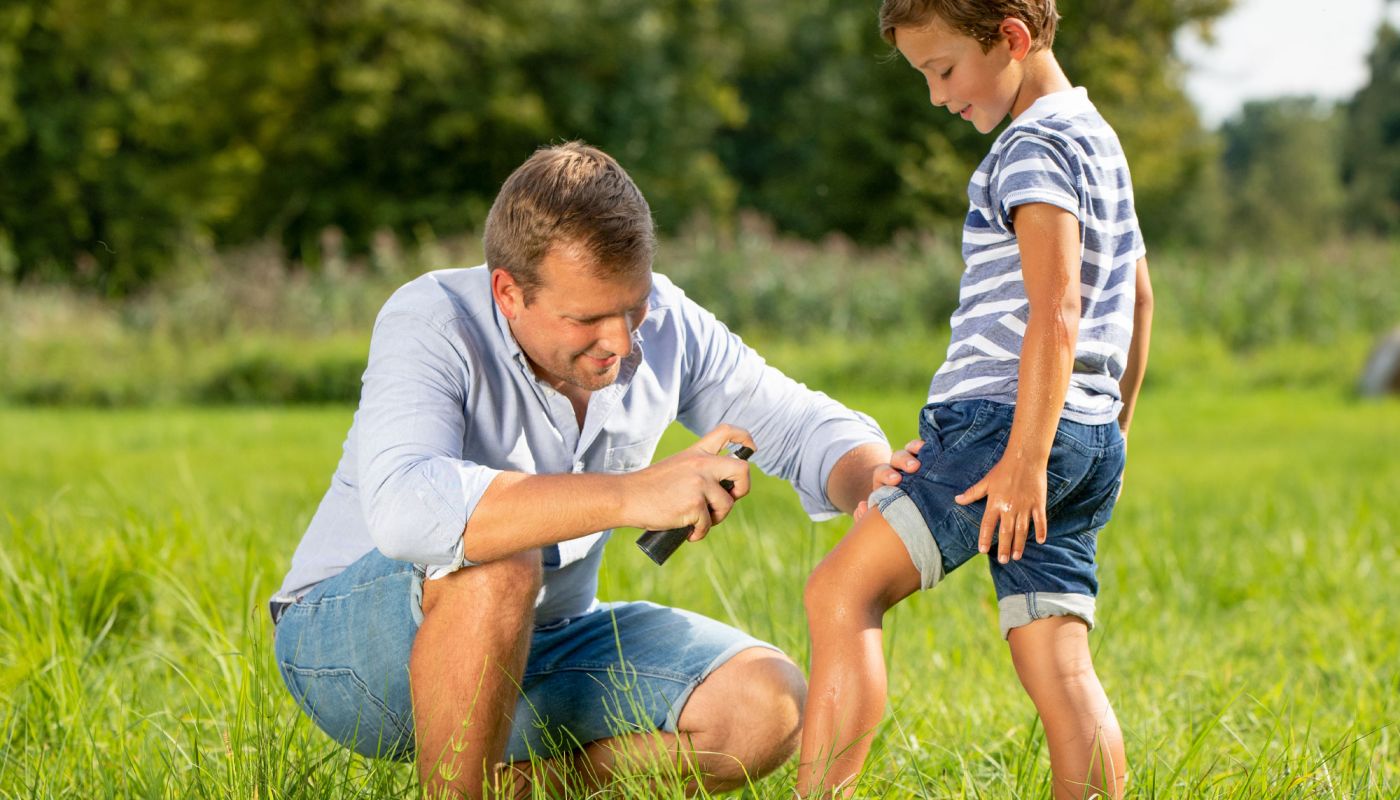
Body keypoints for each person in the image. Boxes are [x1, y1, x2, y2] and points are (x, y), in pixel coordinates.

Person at [269, 142, 900, 798]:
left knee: (764, 707)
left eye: (633, 307)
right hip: (348, 650)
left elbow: (799, 423)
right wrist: (631, 495)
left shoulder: (666, 325)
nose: (622, 342)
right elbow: (407, 508)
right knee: (499, 554)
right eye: (587, 319)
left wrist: (871, 481)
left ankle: (517, 786)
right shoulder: (432, 318)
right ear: (509, 292)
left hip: (543, 639)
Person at [797, 1, 1154, 797]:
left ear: (1014, 40)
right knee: (1057, 660)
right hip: (1083, 430)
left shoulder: (1029, 147)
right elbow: (1138, 294)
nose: (936, 96)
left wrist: (1027, 457)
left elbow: (1056, 308)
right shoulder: (1098, 139)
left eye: (943, 68)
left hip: (1003, 425)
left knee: (841, 591)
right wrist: (1109, 430)